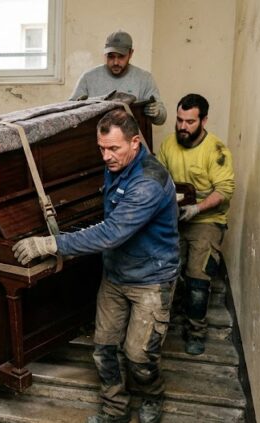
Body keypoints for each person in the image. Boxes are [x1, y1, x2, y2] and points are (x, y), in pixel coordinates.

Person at [13, 109, 180, 423]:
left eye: (113, 148)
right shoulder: (118, 165)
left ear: (135, 142)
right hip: (116, 275)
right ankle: (115, 410)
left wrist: (49, 243)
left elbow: (112, 232)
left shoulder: (148, 182)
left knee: (139, 355)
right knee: (104, 348)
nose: (105, 156)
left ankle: (153, 395)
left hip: (151, 281)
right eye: (101, 148)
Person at [156, 94, 235, 355]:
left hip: (206, 219)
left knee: (198, 277)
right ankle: (160, 327)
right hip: (174, 217)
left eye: (190, 122)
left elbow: (225, 189)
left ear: (204, 120)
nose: (182, 126)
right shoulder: (169, 145)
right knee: (165, 270)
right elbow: (158, 180)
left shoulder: (217, 151)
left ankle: (196, 331)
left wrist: (197, 209)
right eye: (179, 120)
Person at [70, 30, 167, 125]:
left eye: (121, 56)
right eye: (111, 56)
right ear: (105, 54)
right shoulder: (88, 78)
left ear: (131, 53)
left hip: (131, 138)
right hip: (94, 137)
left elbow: (161, 118)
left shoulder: (145, 79)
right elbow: (69, 112)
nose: (115, 62)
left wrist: (157, 113)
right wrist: (78, 106)